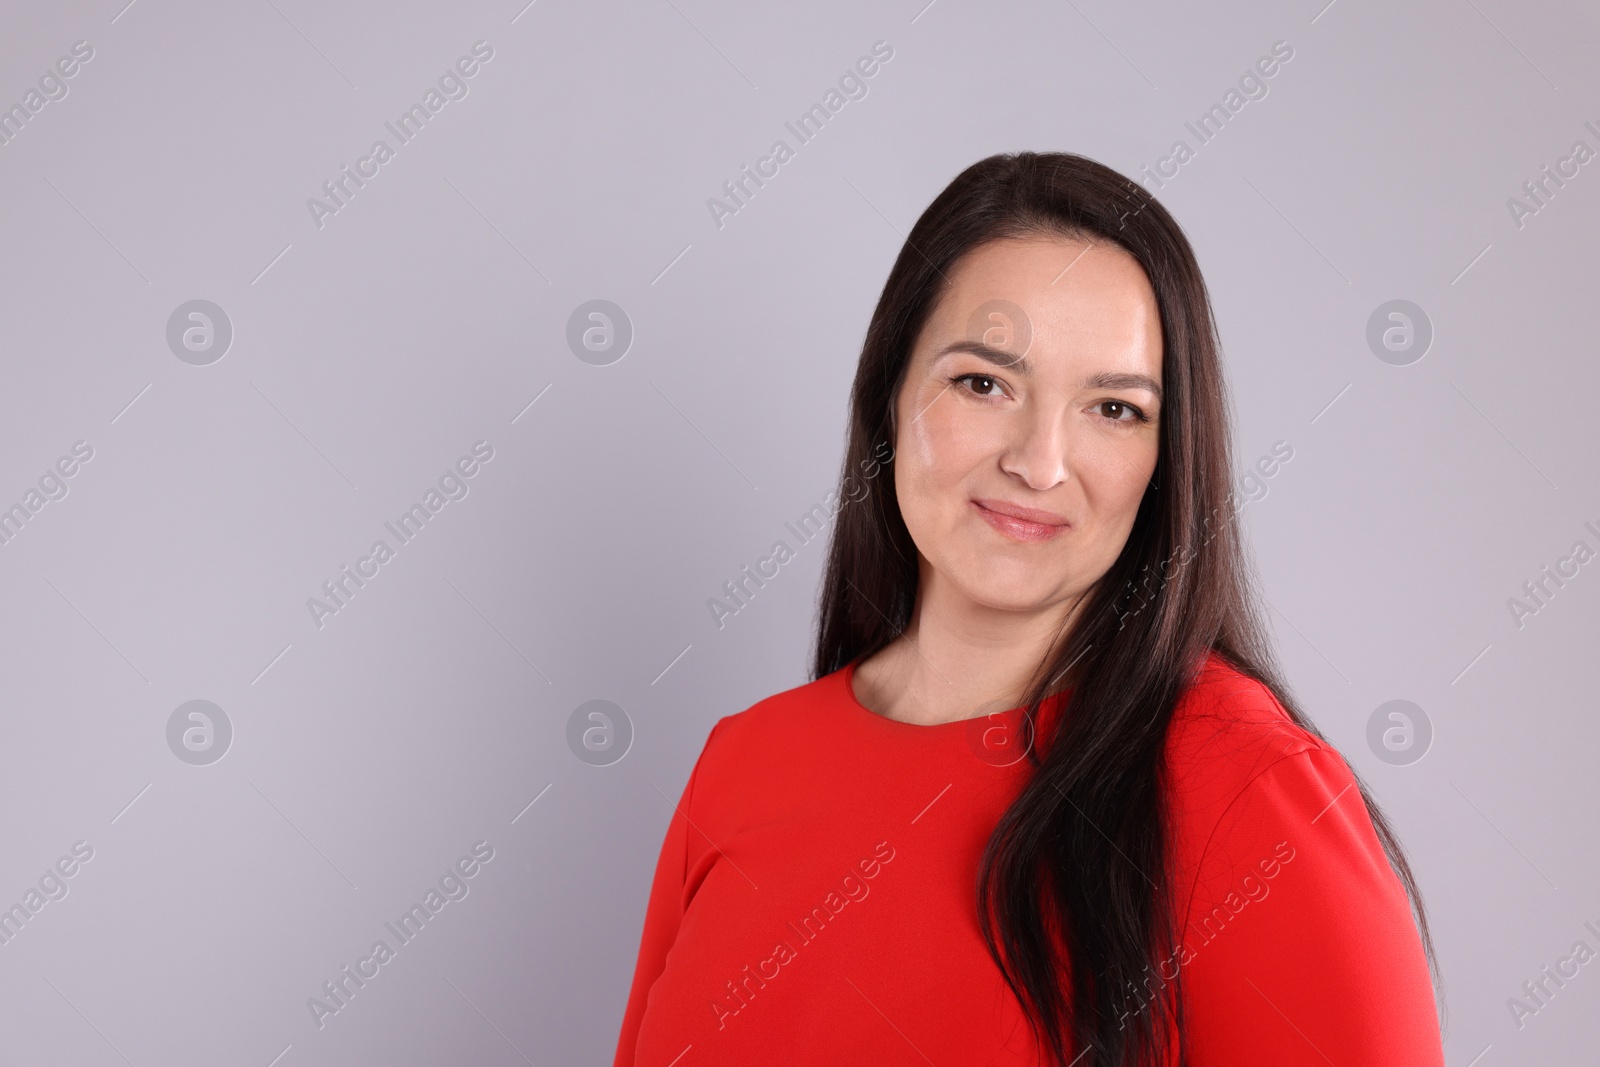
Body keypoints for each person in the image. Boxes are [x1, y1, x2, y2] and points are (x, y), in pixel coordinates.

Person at [611, 151, 1445, 1066]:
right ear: (891, 396)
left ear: (1166, 458)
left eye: (1115, 408)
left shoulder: (1243, 789)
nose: (1040, 462)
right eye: (984, 383)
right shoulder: (744, 765)